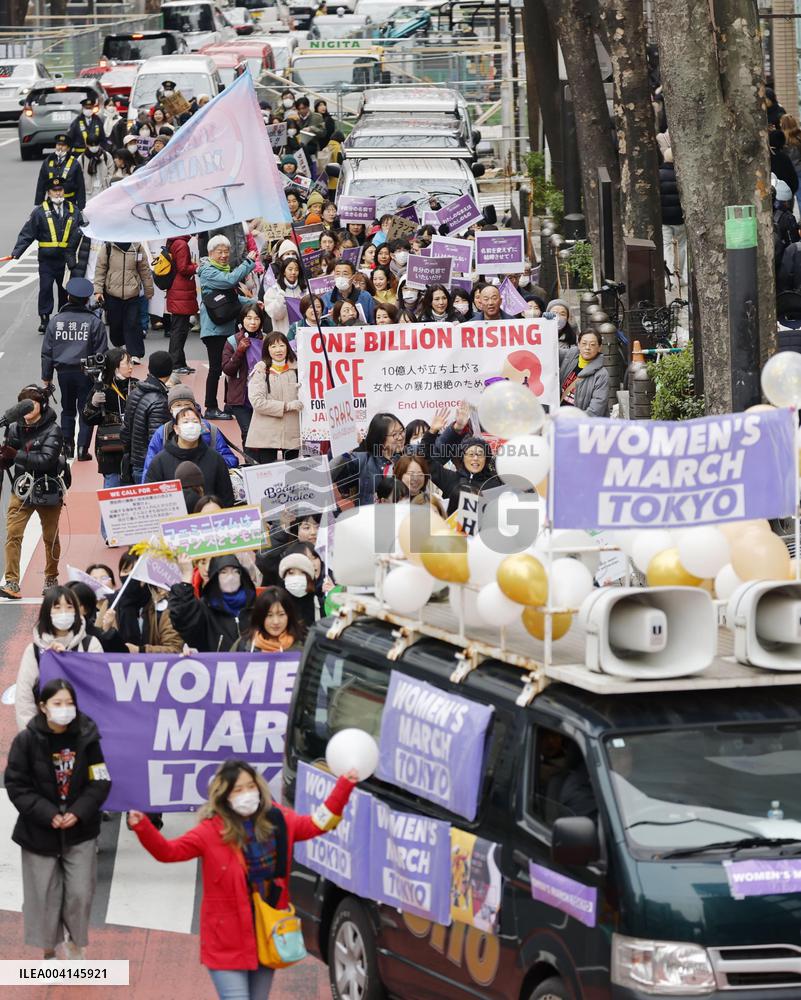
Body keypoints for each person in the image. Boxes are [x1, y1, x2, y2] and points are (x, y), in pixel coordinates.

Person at [127, 759, 357, 999]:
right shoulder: (209, 831)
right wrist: (143, 827)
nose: (246, 794)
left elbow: (318, 823)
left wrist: (344, 786)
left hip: (266, 935)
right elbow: (168, 852)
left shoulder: (278, 821)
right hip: (226, 941)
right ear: (224, 796)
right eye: (238, 790)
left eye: (250, 787)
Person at [5, 677, 111, 960]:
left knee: (81, 892)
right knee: (43, 896)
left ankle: (76, 941)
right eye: (58, 703)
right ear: (43, 706)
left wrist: (78, 811)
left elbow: (100, 780)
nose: (65, 709)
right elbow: (16, 785)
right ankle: (49, 949)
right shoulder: (26, 741)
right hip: (39, 832)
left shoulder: (87, 735)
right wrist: (48, 813)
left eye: (69, 703)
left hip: (81, 829)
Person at [14, 587, 103, 729]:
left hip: (82, 731)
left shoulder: (91, 645)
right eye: (57, 607)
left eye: (69, 607)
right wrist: (31, 736)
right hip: (44, 734)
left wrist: (69, 659)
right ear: (47, 612)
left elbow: (99, 685)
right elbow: (24, 698)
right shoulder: (35, 651)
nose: (64, 612)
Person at [41, 276, 108, 461]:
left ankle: (67, 446)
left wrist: (46, 377)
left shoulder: (56, 321)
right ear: (87, 300)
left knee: (67, 409)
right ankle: (82, 449)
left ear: (68, 297)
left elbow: (47, 352)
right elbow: (102, 352)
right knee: (87, 409)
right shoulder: (94, 322)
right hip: (86, 373)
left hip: (63, 373)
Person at [199, 235, 258, 421]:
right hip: (214, 329)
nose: (224, 255)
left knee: (231, 367)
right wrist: (248, 262)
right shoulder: (208, 271)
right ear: (210, 253)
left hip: (226, 327)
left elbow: (232, 299)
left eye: (226, 251)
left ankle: (229, 404)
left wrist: (254, 302)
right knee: (216, 368)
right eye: (220, 252)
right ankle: (210, 406)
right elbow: (229, 281)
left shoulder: (223, 269)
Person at [13, 177, 81, 334]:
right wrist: (18, 251)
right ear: (48, 193)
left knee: (64, 289)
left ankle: (63, 316)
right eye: (54, 191)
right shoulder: (39, 212)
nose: (58, 193)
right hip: (47, 260)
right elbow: (27, 233)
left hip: (65, 259)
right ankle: (44, 318)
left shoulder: (73, 210)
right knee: (45, 288)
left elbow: (82, 230)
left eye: (60, 190)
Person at [142, 383, 238, 482]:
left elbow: (231, 459)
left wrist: (212, 464)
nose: (183, 408)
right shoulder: (163, 432)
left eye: (187, 404)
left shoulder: (210, 430)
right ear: (170, 409)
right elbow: (149, 470)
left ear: (194, 407)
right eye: (178, 405)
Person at [145, 405, 236, 507]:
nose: (191, 425)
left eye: (195, 421)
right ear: (176, 429)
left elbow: (226, 498)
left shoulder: (215, 459)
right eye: (185, 422)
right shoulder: (160, 462)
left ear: (201, 427)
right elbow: (151, 500)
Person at [422, 403, 503, 515]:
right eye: (470, 454)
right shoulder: (450, 479)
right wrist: (431, 432)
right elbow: (424, 460)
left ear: (486, 459)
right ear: (462, 458)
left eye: (480, 454)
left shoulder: (496, 483)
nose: (475, 458)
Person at [168, 554, 257, 651]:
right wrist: (186, 578)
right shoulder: (205, 608)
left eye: (236, 572)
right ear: (215, 578)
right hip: (215, 665)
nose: (231, 577)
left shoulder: (256, 606)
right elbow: (182, 619)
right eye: (224, 572)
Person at [82, 348, 136, 496]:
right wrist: (93, 404)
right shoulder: (101, 388)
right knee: (112, 499)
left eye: (131, 362)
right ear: (115, 366)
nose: (131, 366)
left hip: (135, 449)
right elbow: (87, 419)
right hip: (111, 452)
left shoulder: (137, 386)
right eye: (127, 363)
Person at [93, 240, 154, 364]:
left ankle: (135, 353)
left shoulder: (137, 247)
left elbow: (144, 270)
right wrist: (98, 291)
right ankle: (118, 346)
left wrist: (148, 289)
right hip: (112, 293)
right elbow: (100, 269)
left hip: (132, 293)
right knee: (115, 323)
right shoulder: (108, 247)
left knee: (133, 323)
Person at [245, 333, 302, 464]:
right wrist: (286, 406)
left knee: (293, 472)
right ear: (267, 349)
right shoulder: (260, 371)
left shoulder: (298, 369)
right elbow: (257, 402)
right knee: (268, 473)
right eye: (273, 346)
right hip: (267, 433)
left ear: (287, 347)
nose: (278, 350)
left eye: (282, 345)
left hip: (292, 431)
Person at [121, 351, 173, 484]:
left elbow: (125, 430)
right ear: (170, 371)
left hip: (134, 460)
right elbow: (157, 440)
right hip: (148, 465)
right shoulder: (160, 401)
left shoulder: (135, 391)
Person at [330, 412, 405, 506]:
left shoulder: (406, 459)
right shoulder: (363, 460)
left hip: (401, 517)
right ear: (381, 439)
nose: (401, 437)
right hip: (369, 517)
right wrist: (346, 451)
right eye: (395, 434)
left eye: (402, 431)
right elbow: (329, 475)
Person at [222, 304, 270, 446]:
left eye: (256, 318)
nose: (252, 322)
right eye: (248, 318)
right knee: (248, 431)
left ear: (261, 321)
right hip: (240, 397)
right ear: (242, 320)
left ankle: (263, 464)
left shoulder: (267, 340)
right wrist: (239, 352)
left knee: (263, 432)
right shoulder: (232, 341)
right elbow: (227, 369)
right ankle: (250, 465)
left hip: (263, 394)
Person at [165, 234, 198, 375]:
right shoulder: (182, 244)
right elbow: (183, 268)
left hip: (178, 291)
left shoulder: (174, 242)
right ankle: (176, 363)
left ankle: (180, 362)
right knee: (179, 331)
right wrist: (196, 266)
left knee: (179, 329)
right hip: (181, 292)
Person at [234, 586, 304, 652]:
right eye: (269, 615)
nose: (276, 622)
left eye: (281, 614)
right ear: (260, 616)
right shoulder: (243, 645)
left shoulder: (304, 645)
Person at [559, 329, 609, 416]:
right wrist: (547, 323)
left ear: (599, 347)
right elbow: (549, 351)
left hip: (581, 424)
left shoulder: (602, 375)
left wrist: (575, 422)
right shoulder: (570, 356)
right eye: (584, 343)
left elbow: (595, 410)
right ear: (578, 345)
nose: (587, 348)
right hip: (560, 417)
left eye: (592, 344)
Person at [34, 134, 85, 211]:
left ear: (68, 148)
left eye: (63, 145)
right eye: (58, 144)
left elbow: (80, 187)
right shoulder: (48, 161)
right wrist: (38, 204)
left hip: (69, 202)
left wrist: (81, 207)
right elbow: (41, 184)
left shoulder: (75, 163)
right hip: (51, 202)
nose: (60, 147)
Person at [277, 551, 320, 632]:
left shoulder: (320, 605)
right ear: (283, 578)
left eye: (302, 573)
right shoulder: (275, 606)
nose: (296, 577)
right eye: (291, 573)